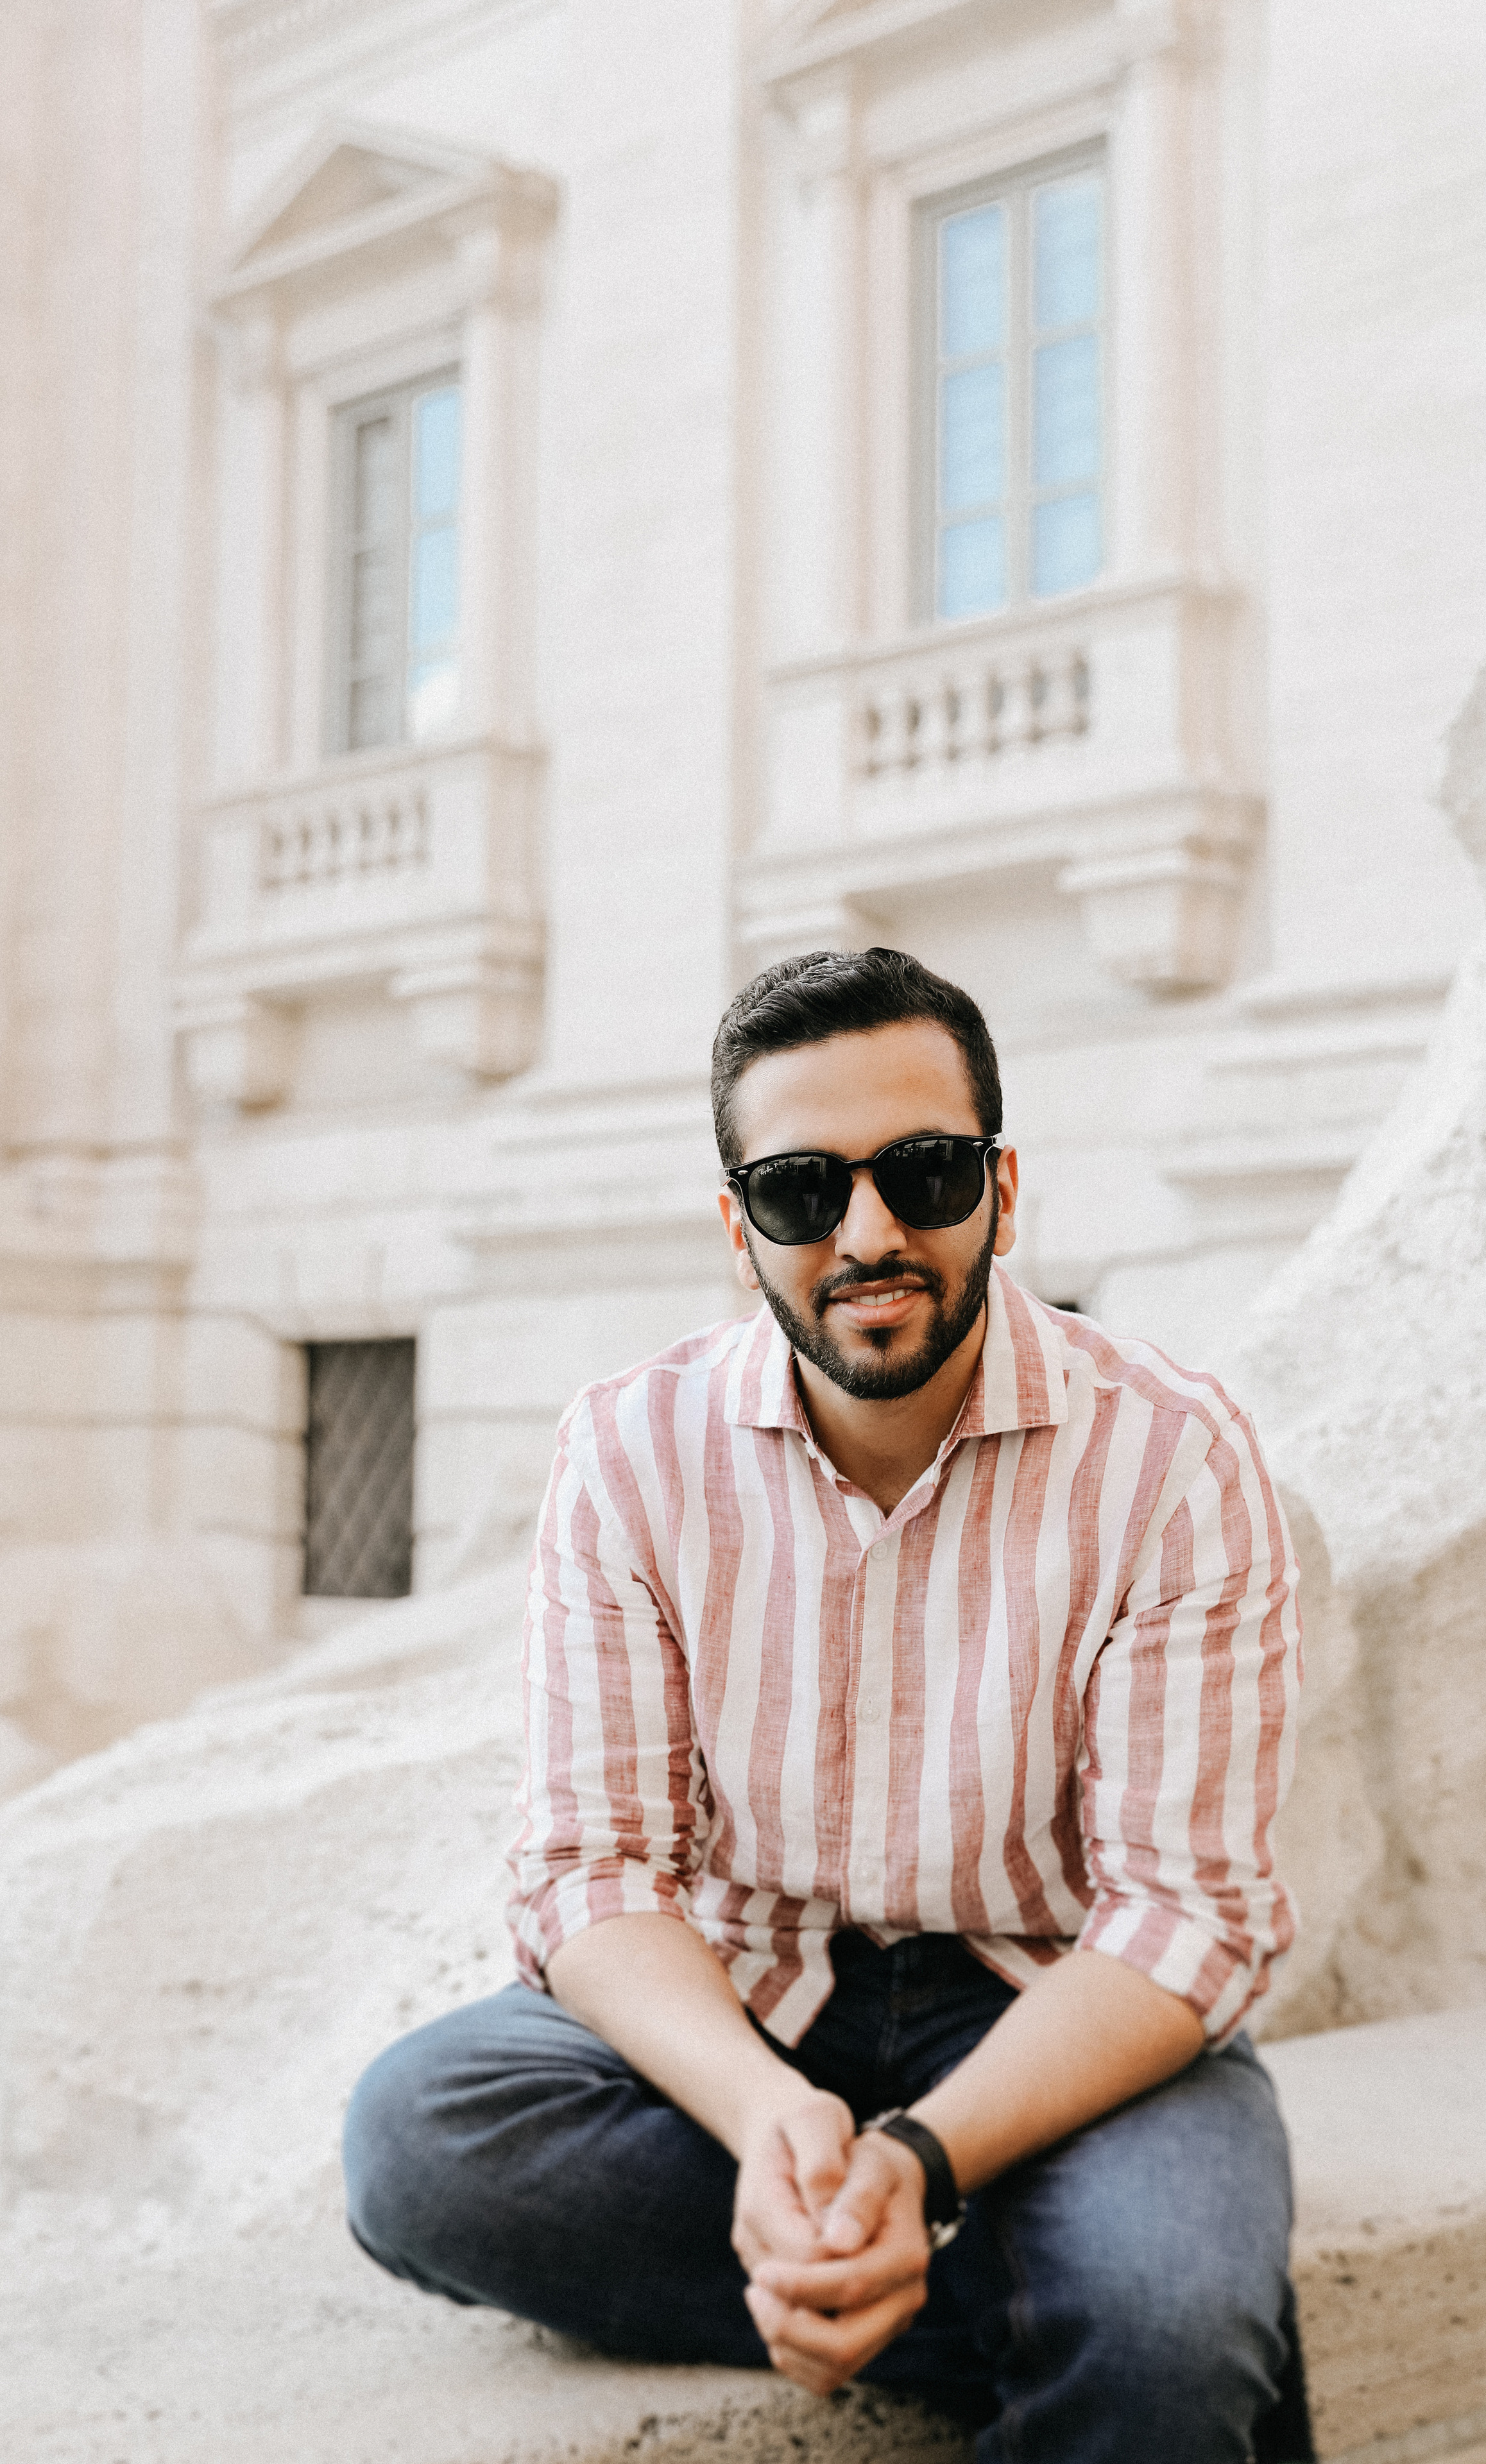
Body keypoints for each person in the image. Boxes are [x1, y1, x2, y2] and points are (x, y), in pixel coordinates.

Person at [343, 948, 1314, 2464]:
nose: (869, 1233)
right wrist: (764, 2123)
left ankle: (1138, 2316)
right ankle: (1084, 2314)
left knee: (1170, 2320)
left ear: (1002, 1187)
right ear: (739, 1232)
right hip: (754, 2000)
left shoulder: (1169, 1456)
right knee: (417, 2143)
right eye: (803, 1192)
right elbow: (591, 1868)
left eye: (923, 1173)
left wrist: (924, 2158)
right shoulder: (627, 1452)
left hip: (1062, 2004)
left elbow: (1186, 1913)